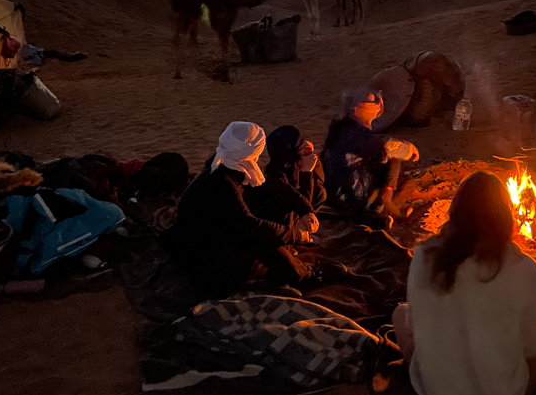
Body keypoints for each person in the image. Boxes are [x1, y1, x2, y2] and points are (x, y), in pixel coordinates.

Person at [392, 171, 536, 395]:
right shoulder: (524, 267)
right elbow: (534, 348)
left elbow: (415, 324)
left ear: (455, 212)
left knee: (399, 315)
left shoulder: (424, 254)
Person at [162, 121, 315, 299]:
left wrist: (306, 210)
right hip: (207, 270)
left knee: (278, 205)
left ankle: (290, 268)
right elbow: (250, 227)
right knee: (253, 236)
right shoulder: (221, 182)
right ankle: (302, 274)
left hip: (216, 241)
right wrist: (297, 235)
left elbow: (273, 186)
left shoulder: (227, 161)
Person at [321, 89, 418, 225]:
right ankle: (384, 204)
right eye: (371, 103)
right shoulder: (359, 135)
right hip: (352, 194)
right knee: (393, 161)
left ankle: (381, 203)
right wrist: (407, 149)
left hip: (332, 193)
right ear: (357, 108)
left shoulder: (340, 128)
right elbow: (382, 154)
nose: (377, 105)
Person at [245, 125, 327, 229]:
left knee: (319, 192)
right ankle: (297, 230)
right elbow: (298, 202)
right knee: (288, 202)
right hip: (274, 223)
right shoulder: (275, 175)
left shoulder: (293, 163)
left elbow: (319, 182)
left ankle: (305, 224)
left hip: (294, 211)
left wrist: (312, 159)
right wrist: (306, 172)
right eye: (301, 146)